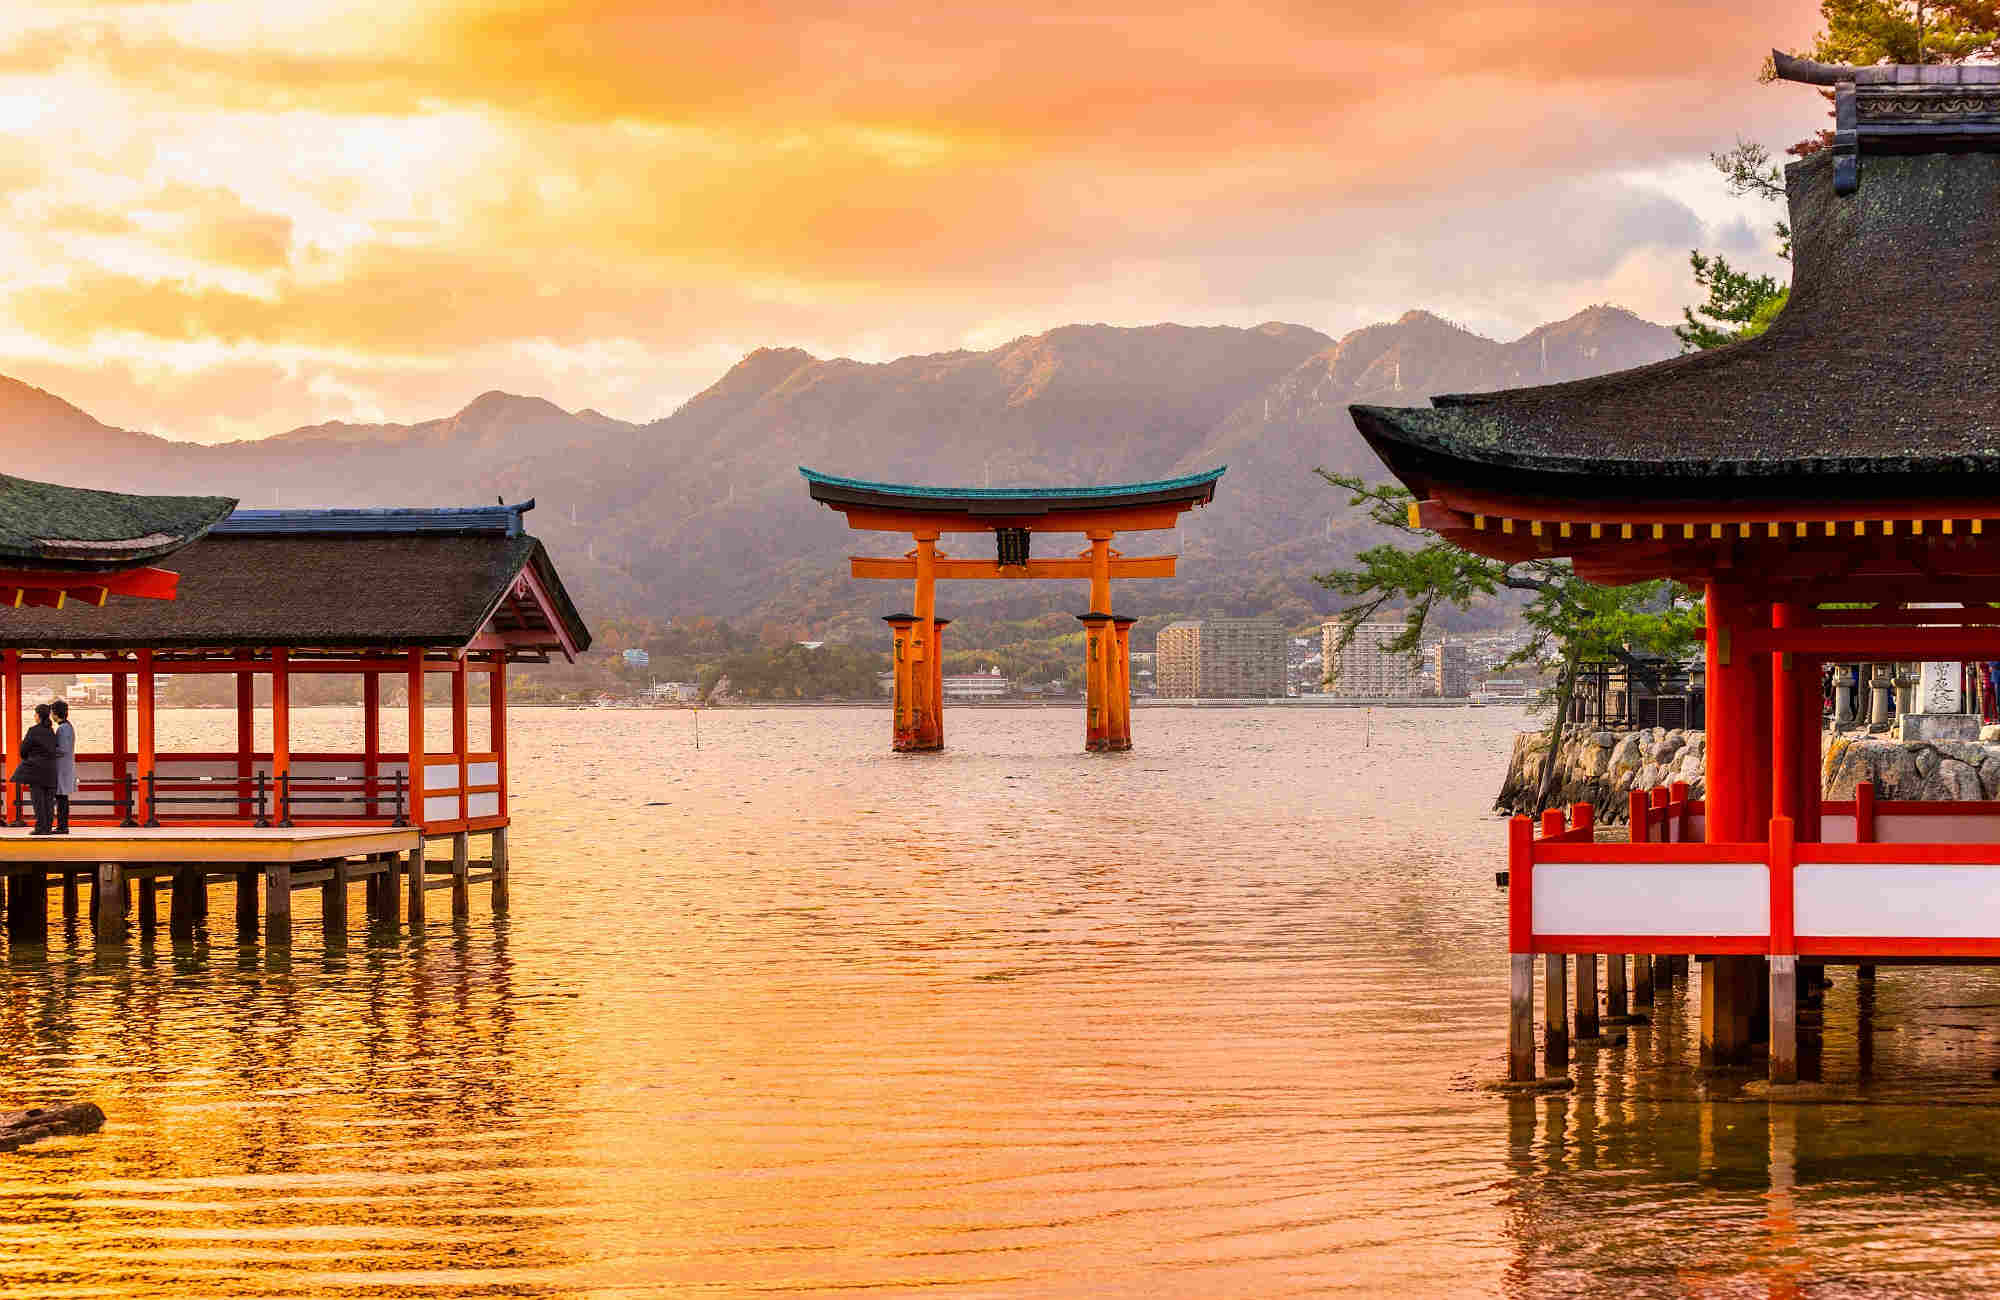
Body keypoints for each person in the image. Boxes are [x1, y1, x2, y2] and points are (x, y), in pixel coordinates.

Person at [12, 704, 58, 835]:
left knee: (38, 801)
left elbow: (23, 750)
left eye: (35, 714)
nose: (34, 716)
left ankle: (40, 828)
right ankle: (48, 827)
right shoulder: (51, 731)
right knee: (49, 801)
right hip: (51, 770)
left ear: (38, 715)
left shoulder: (33, 730)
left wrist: (31, 757)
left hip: (36, 770)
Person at [51, 698, 74, 834]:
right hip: (66, 767)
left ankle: (62, 826)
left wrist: (49, 750)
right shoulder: (68, 726)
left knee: (61, 799)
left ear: (55, 713)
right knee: (62, 798)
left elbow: (63, 749)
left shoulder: (62, 729)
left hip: (62, 768)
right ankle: (62, 825)